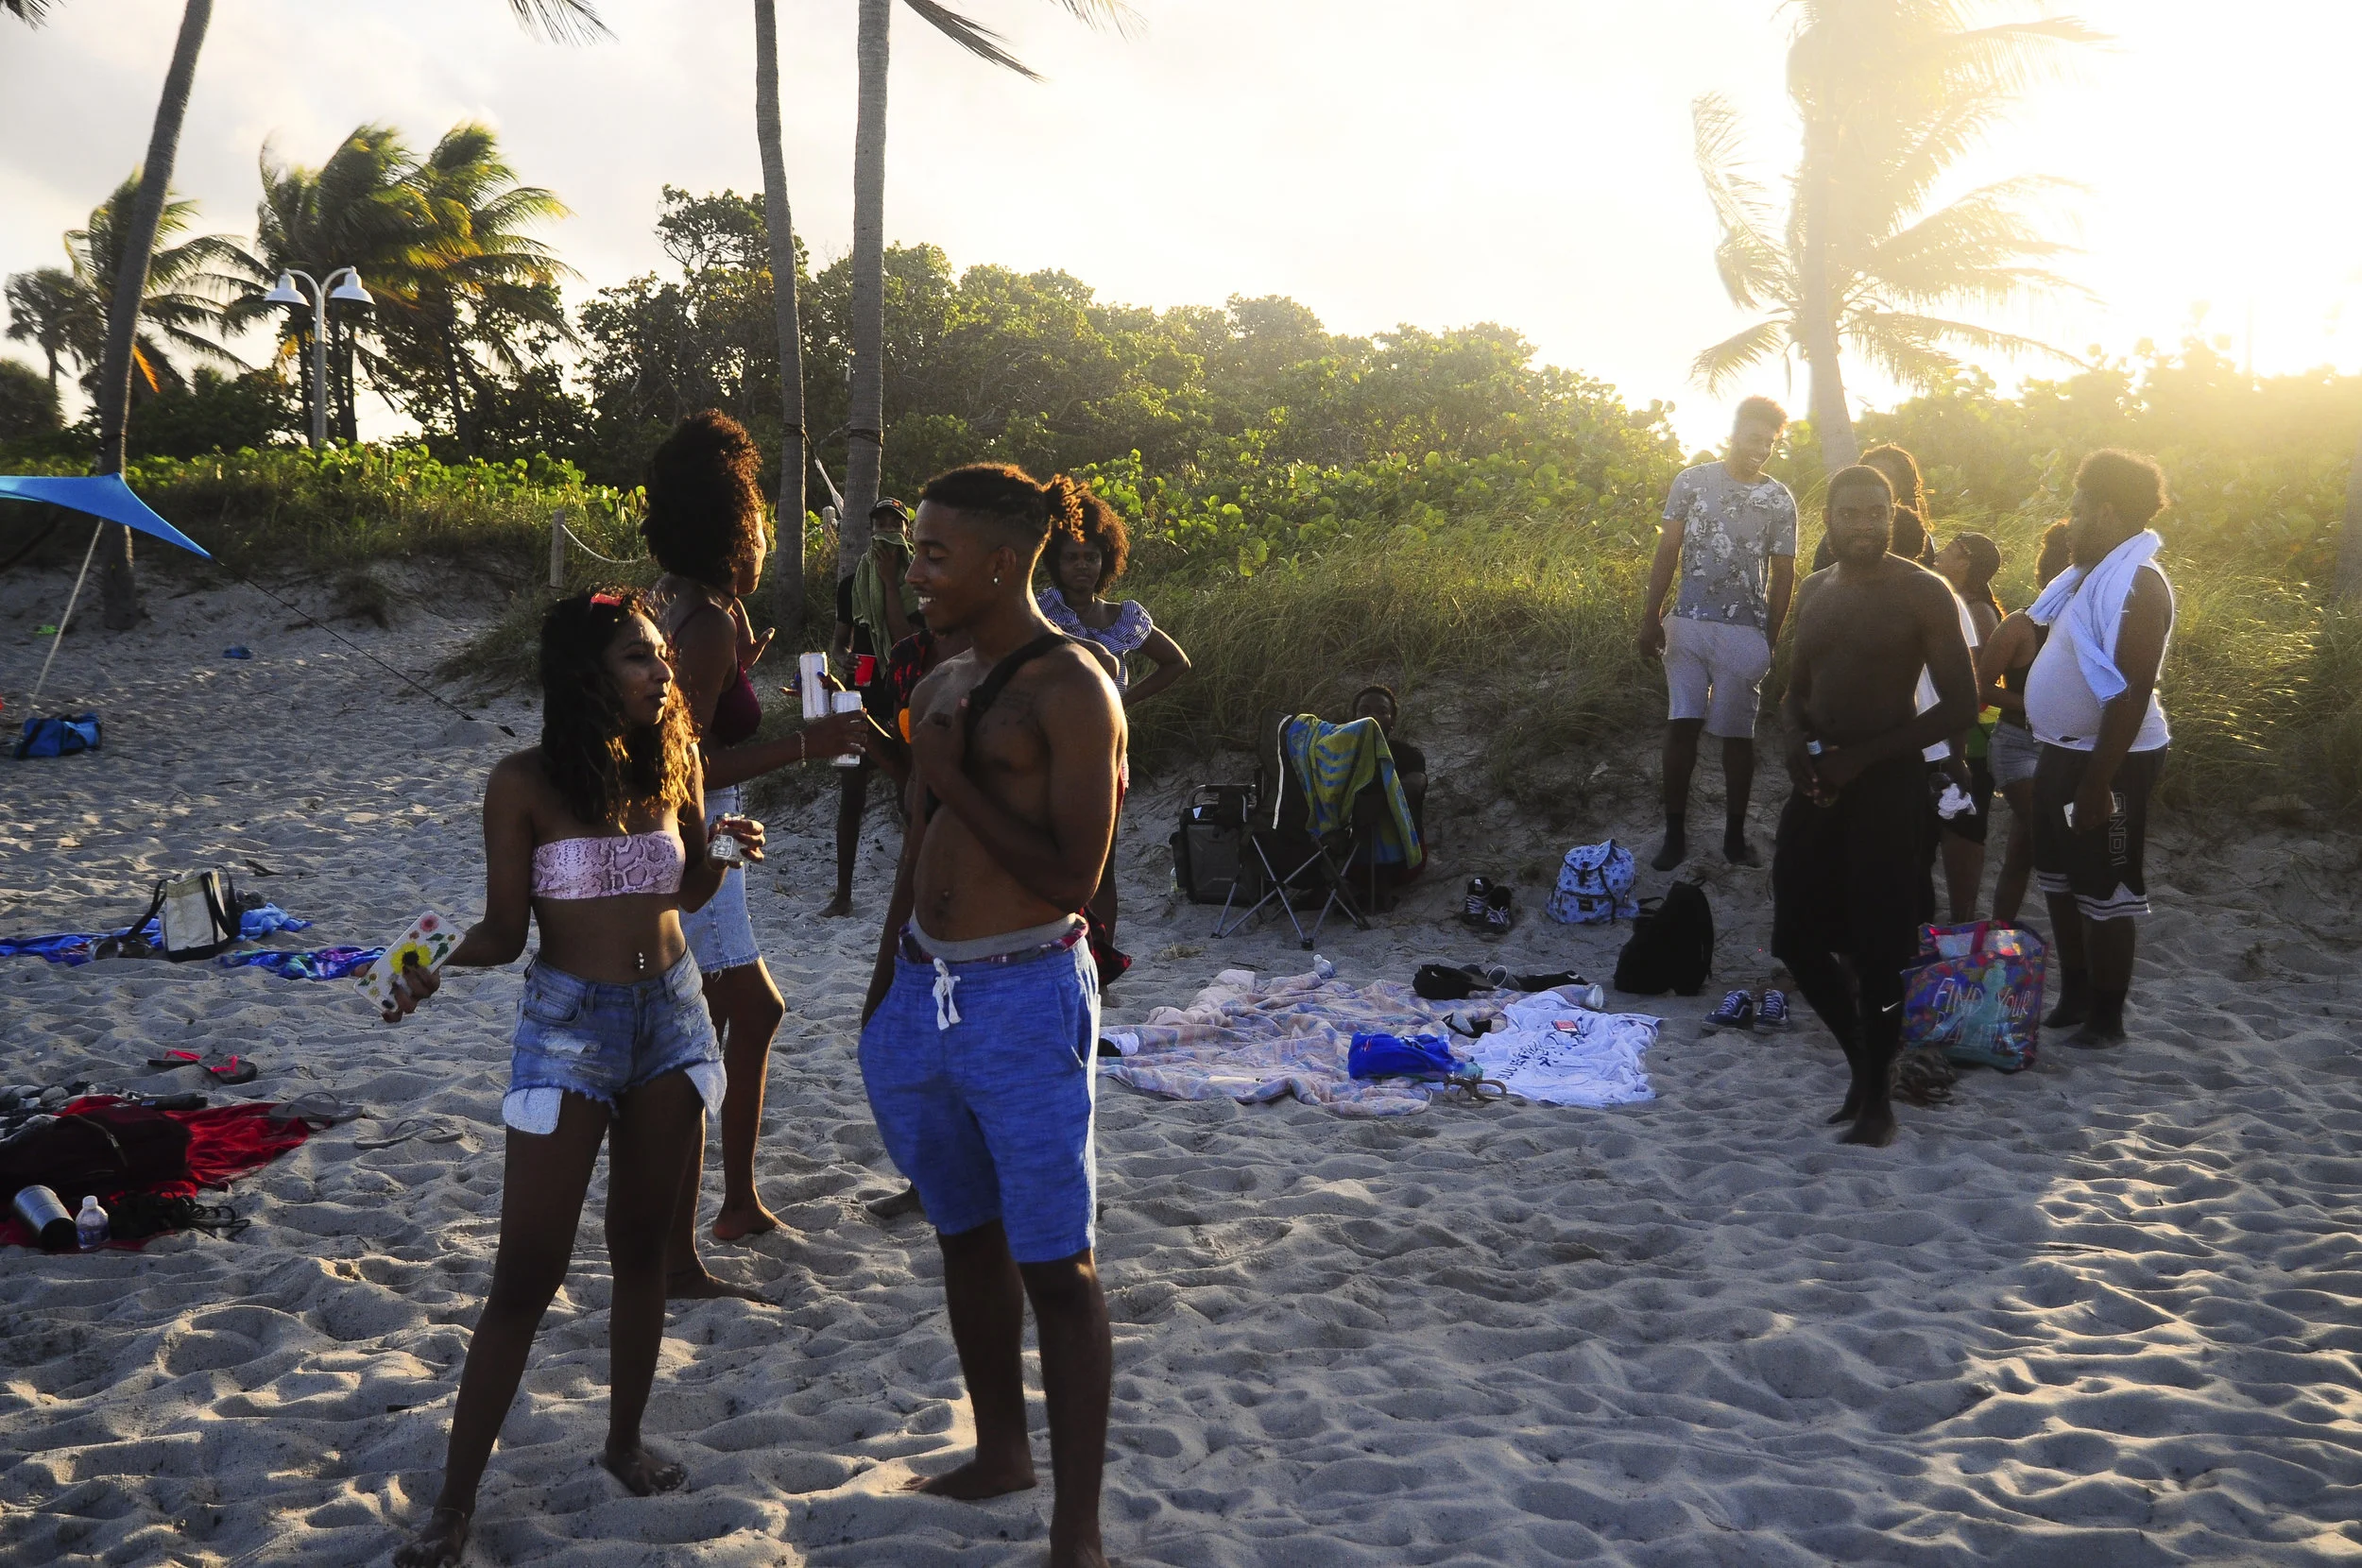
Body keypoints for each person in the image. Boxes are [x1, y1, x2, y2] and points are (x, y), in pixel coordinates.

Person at [385, 590, 762, 1568]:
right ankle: (452, 1506)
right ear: (584, 674)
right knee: (526, 1276)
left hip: (673, 1022)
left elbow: (684, 889)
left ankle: (623, 1442)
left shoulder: (675, 761)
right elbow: (505, 931)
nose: (662, 672)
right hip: (567, 1031)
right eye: (639, 656)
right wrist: (425, 967)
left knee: (641, 1248)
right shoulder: (522, 784)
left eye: (661, 654)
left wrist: (723, 853)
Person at [862, 463, 1122, 1568]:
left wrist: (953, 773)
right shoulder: (941, 682)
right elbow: (921, 843)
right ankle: (1001, 1451)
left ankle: (1077, 1532)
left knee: (1055, 1264)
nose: (914, 571)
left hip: (1024, 992)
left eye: (933, 553)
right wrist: (882, 990)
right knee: (962, 1232)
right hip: (922, 992)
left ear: (1001, 562)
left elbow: (1072, 878)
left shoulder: (1073, 688)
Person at [642, 411, 867, 1254]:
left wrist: (738, 666)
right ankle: (718, 1209)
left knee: (721, 1016)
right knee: (745, 1010)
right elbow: (686, 757)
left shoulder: (685, 601)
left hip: (705, 828)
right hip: (702, 828)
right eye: (762, 523)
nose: (769, 538)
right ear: (735, 531)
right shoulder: (703, 621)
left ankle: (722, 1203)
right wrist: (809, 742)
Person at [1775, 467, 1977, 1148]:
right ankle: (1865, 1067)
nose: (1864, 524)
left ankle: (1878, 1105)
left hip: (1888, 784)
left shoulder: (1922, 591)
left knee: (1879, 948)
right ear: (1827, 518)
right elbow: (1795, 692)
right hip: (1820, 782)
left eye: (1876, 512)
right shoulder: (1815, 590)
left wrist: (1860, 759)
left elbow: (1961, 704)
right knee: (1795, 940)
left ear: (1893, 515)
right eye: (1850, 513)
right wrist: (1795, 744)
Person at [2027, 451, 2176, 1048]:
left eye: (2079, 510)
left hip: (2112, 760)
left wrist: (2096, 783)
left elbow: (2132, 692)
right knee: (2060, 880)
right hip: (2061, 749)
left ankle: (2107, 1019)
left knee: (2108, 889)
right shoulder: (2091, 576)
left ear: (2109, 512)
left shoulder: (2138, 583)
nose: (2071, 523)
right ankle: (2076, 995)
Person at [1635, 396, 1798, 870]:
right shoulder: (1691, 481)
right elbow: (1668, 549)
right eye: (1754, 438)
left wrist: (1769, 639)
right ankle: (1674, 835)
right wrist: (1651, 615)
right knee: (1681, 725)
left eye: (1770, 443)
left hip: (1744, 630)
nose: (1761, 449)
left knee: (1737, 735)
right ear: (1733, 434)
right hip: (1686, 621)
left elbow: (1784, 575)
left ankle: (1734, 836)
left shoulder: (1778, 499)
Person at [1037, 489, 1189, 949]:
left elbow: (1176, 662)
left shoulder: (1123, 617)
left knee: (1103, 863)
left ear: (1107, 560)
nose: (1082, 566)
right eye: (1071, 557)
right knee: (1051, 856)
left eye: (1091, 557)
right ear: (1055, 561)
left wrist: (1124, 702)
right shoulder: (1041, 611)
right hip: (1047, 750)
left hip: (1107, 752)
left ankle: (1101, 961)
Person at [826, 498, 923, 916]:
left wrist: (889, 583)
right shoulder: (852, 585)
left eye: (894, 524)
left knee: (907, 793)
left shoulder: (917, 583)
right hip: (859, 697)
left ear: (906, 531)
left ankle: (909, 893)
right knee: (851, 796)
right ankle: (842, 895)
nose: (886, 531)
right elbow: (839, 641)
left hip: (902, 699)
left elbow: (904, 641)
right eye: (879, 523)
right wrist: (842, 658)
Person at [1978, 521, 2075, 923]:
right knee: (2051, 837)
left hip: (2066, 749)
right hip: (2018, 745)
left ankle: (1999, 930)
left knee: (2022, 851)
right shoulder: (2021, 625)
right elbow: (1980, 687)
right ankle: (2071, 937)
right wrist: (2035, 706)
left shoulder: (2092, 626)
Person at [1930, 531, 2005, 921]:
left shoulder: (1977, 610)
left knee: (1963, 823)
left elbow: (1979, 682)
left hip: (1973, 730)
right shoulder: (1953, 599)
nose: (1939, 554)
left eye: (1949, 551)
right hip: (1954, 725)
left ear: (1966, 563)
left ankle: (1962, 917)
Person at [1810, 442, 1939, 571]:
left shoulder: (1916, 536)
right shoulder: (1838, 536)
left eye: (1886, 476)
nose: (1874, 480)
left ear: (1902, 485)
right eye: (1867, 474)